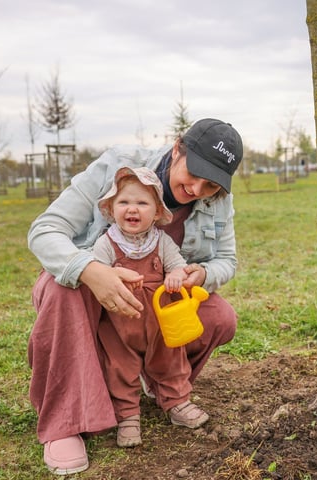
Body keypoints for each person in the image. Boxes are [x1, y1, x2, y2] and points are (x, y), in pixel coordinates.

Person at [27, 118, 243, 475]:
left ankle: (160, 384)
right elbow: (45, 230)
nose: (197, 188)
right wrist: (91, 271)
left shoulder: (219, 201)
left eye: (211, 185)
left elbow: (227, 260)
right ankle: (65, 422)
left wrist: (202, 273)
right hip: (90, 286)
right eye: (195, 172)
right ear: (178, 148)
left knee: (219, 318)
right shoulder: (117, 165)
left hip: (157, 298)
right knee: (60, 290)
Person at [92, 166, 192, 449]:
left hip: (159, 324)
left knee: (171, 361)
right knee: (119, 367)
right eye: (124, 202)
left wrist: (175, 275)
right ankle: (127, 416)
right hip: (120, 323)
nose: (132, 209)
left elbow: (178, 266)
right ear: (112, 208)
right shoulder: (108, 244)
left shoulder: (162, 242)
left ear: (158, 212)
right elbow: (97, 272)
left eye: (141, 203)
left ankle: (177, 402)